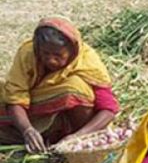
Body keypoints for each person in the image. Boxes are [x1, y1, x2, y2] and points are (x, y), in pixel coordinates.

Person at [0, 18, 119, 153]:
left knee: (76, 88)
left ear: (72, 51)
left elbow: (109, 109)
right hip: (34, 112)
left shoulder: (87, 60)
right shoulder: (28, 54)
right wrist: (27, 130)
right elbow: (15, 97)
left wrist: (78, 137)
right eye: (45, 54)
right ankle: (36, 138)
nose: (51, 60)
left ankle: (71, 142)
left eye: (58, 55)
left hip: (72, 123)